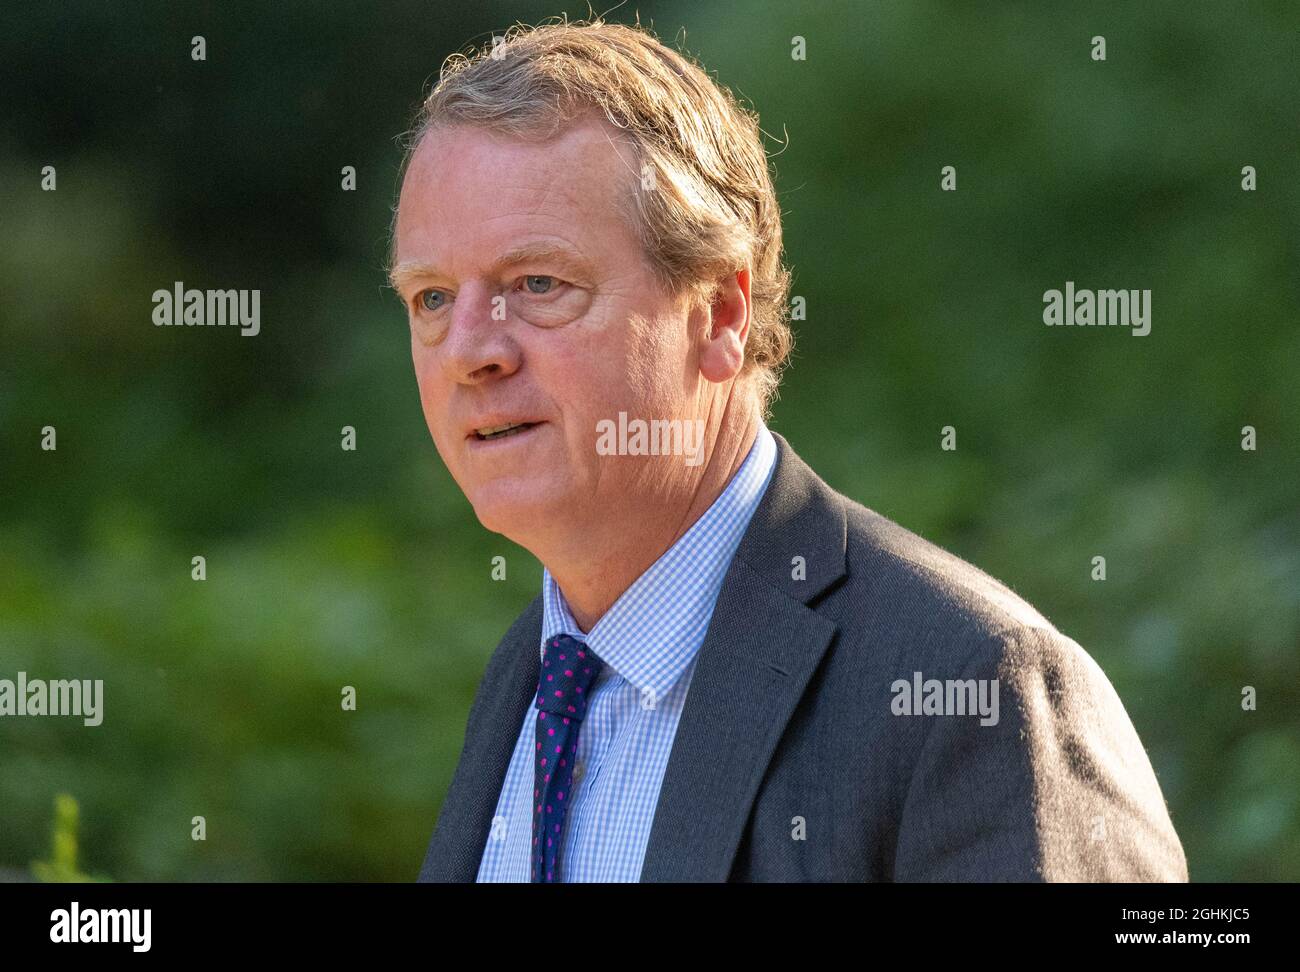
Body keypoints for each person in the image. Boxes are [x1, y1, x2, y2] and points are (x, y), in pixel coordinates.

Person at [388, 19, 1188, 882]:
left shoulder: (977, 690)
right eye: (432, 297)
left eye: (538, 285)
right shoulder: (533, 680)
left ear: (720, 316)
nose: (472, 349)